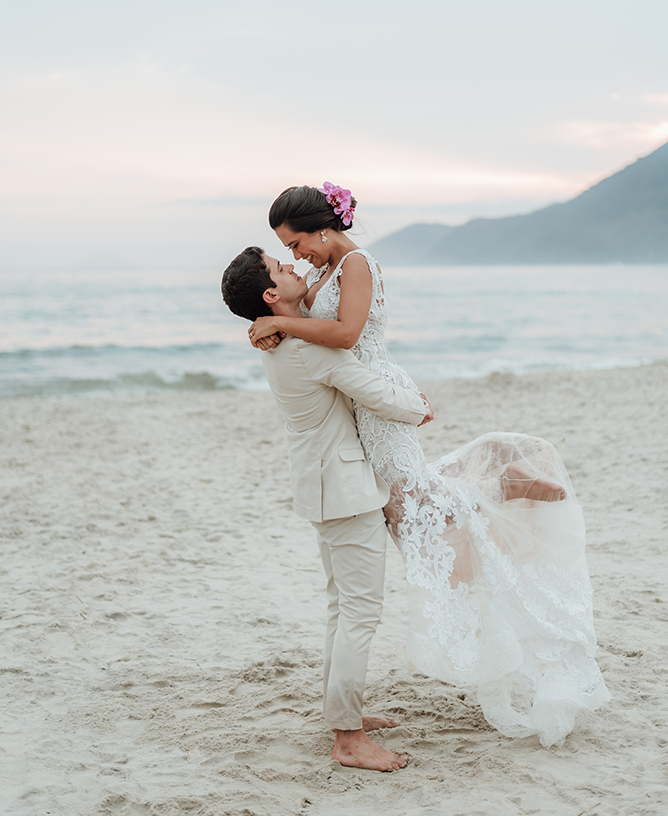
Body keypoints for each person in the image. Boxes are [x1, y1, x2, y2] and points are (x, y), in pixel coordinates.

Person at [246, 183, 611, 749]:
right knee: (412, 504)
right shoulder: (320, 275)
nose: (297, 257)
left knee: (410, 507)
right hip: (362, 406)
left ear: (322, 227)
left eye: (297, 243)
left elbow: (343, 335)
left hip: (376, 399)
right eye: (286, 252)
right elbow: (316, 334)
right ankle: (497, 479)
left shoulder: (359, 263)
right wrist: (277, 324)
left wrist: (283, 325)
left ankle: (500, 482)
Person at [221, 245, 434, 771]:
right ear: (271, 295)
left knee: (343, 607)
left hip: (321, 487)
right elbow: (379, 396)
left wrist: (273, 322)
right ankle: (347, 739)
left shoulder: (280, 342)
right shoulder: (306, 349)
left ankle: (346, 716)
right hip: (344, 491)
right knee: (360, 611)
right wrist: (420, 408)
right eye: (280, 267)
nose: (292, 265)